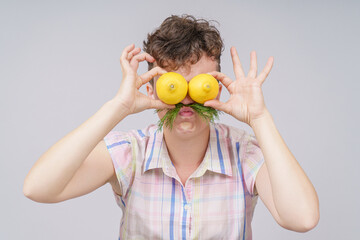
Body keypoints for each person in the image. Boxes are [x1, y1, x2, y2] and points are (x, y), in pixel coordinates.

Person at [23, 14, 319, 239]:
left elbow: (302, 219)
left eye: (200, 85)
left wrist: (260, 118)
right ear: (151, 90)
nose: (187, 100)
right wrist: (118, 107)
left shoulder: (244, 153)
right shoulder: (131, 152)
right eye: (173, 86)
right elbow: (38, 188)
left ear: (217, 90)